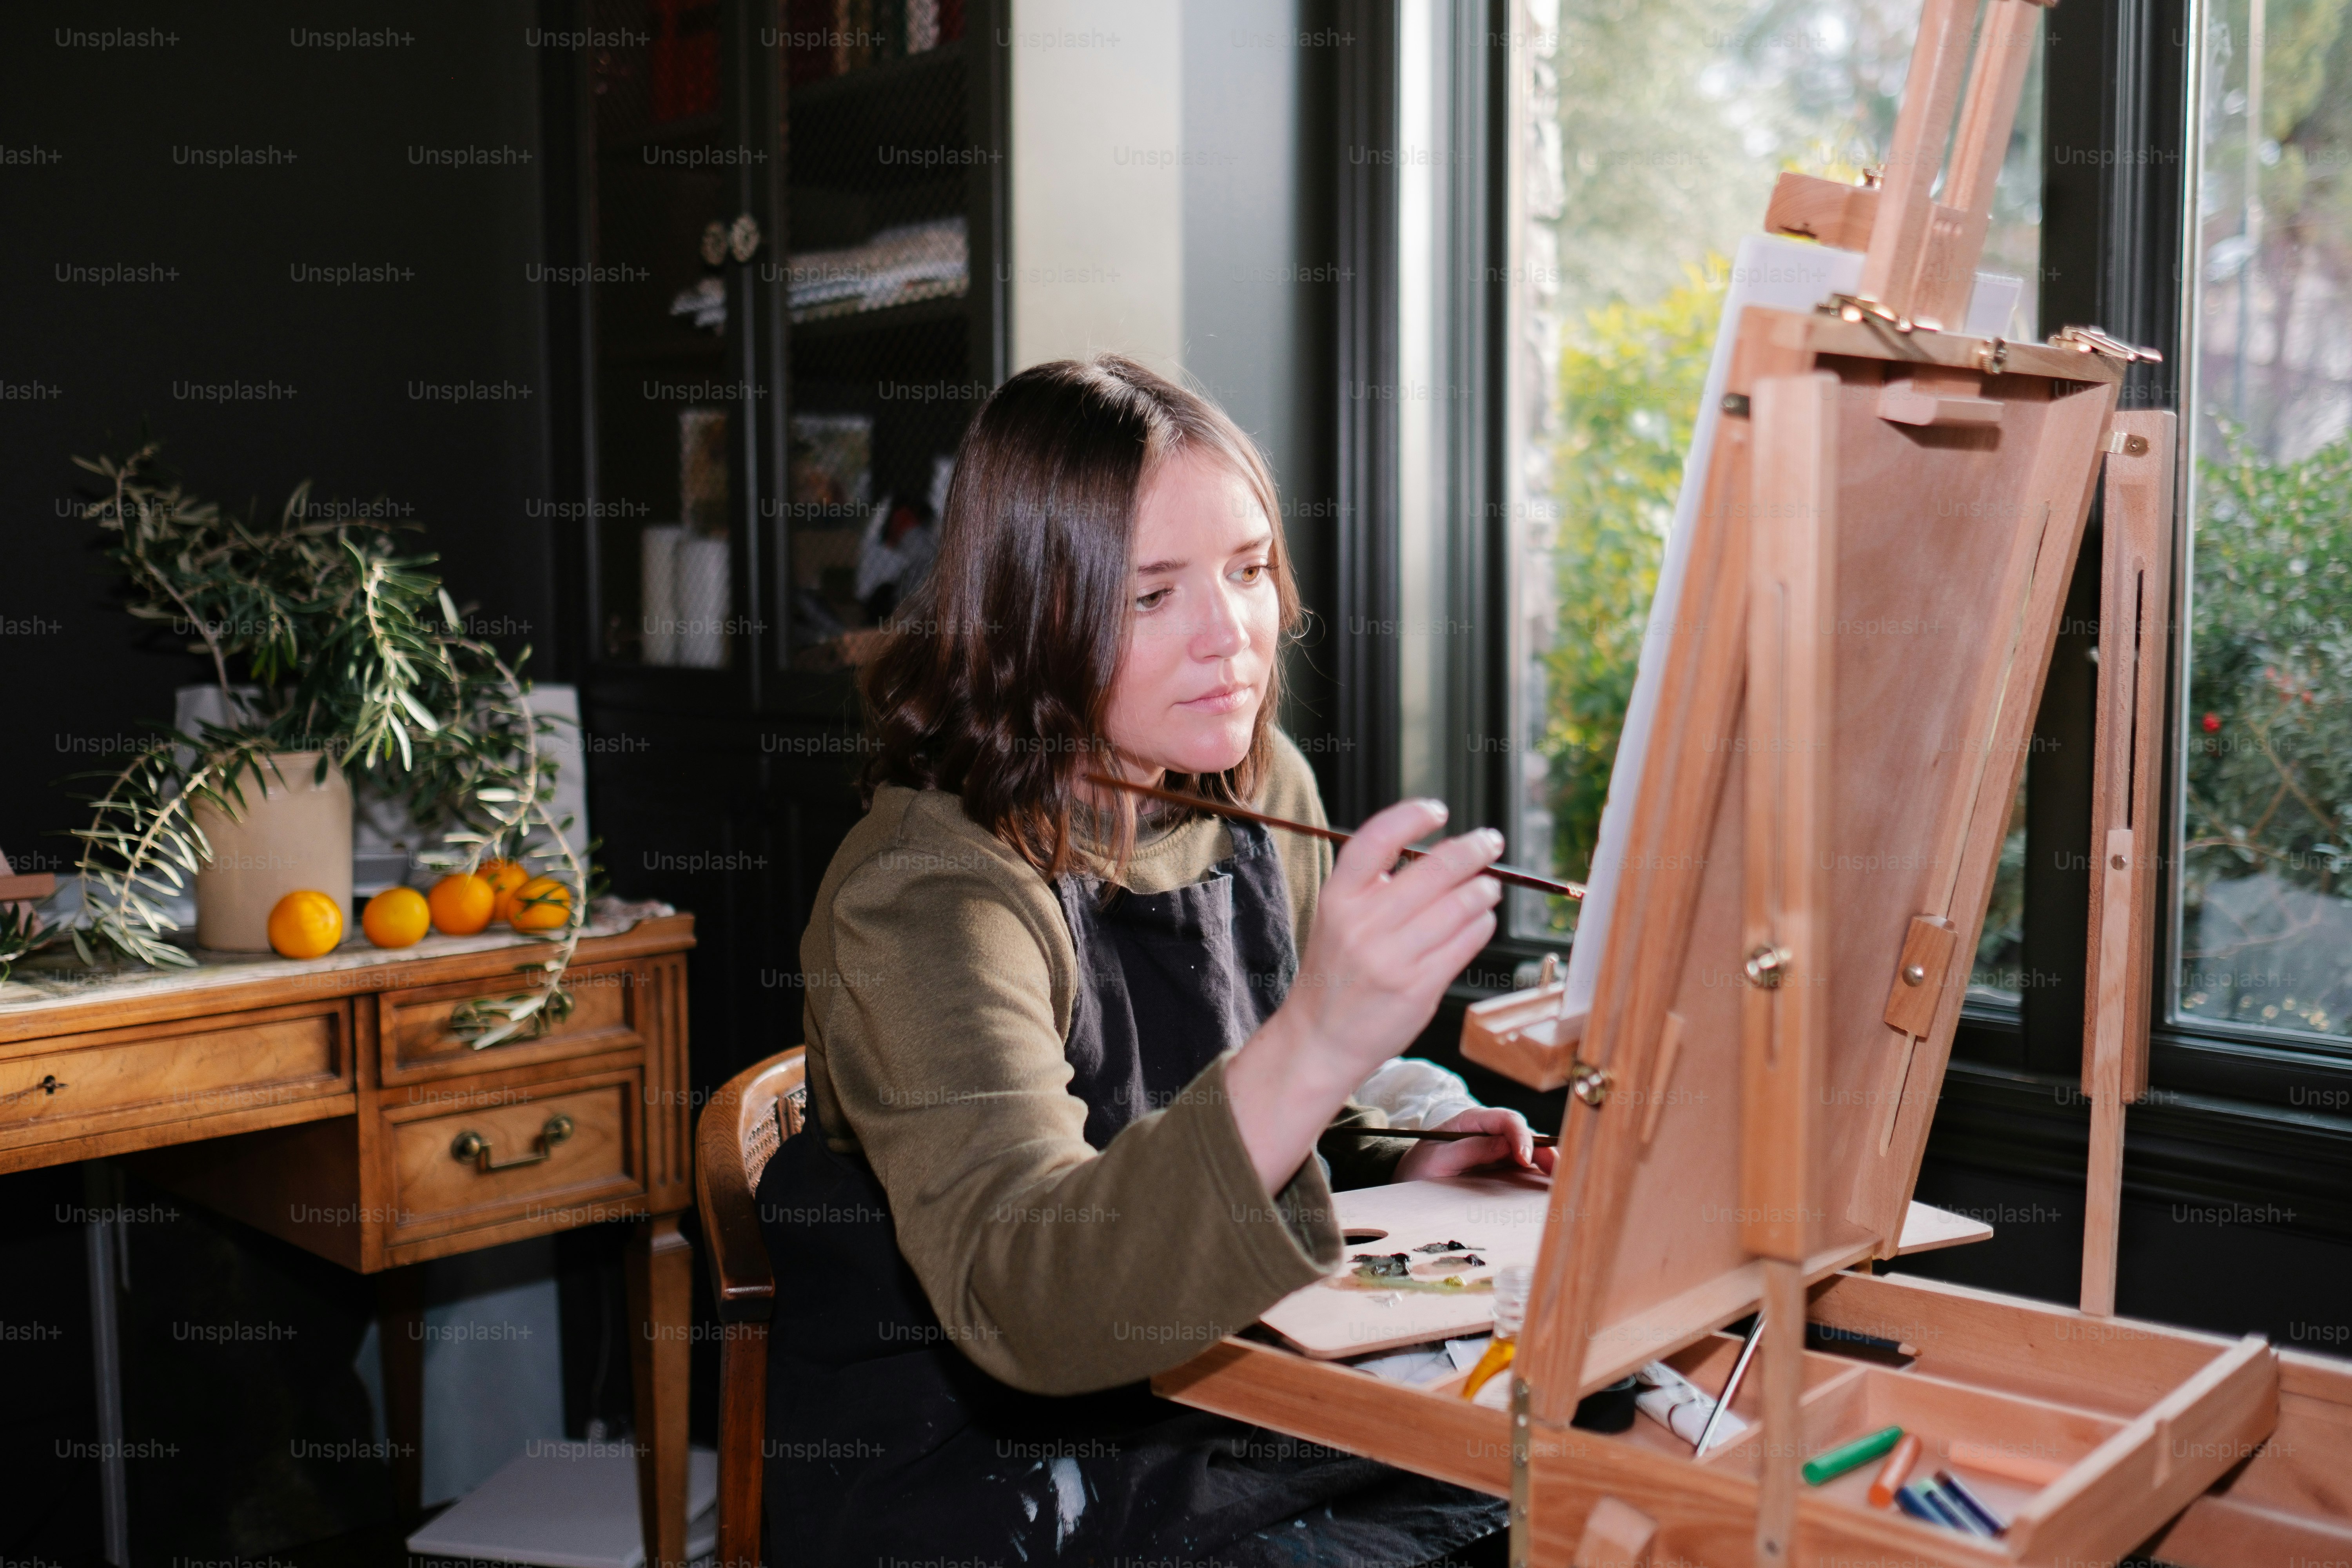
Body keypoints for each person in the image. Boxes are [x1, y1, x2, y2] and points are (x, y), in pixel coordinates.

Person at [759, 354, 1551, 1566]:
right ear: (1026, 617)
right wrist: (1327, 1036)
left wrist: (1404, 1129)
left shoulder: (1258, 787)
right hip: (989, 1486)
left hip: (1212, 1408)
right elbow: (1026, 1299)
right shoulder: (921, 897)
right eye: (1151, 597)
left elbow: (1263, 1081)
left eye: (1245, 572)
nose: (1229, 636)